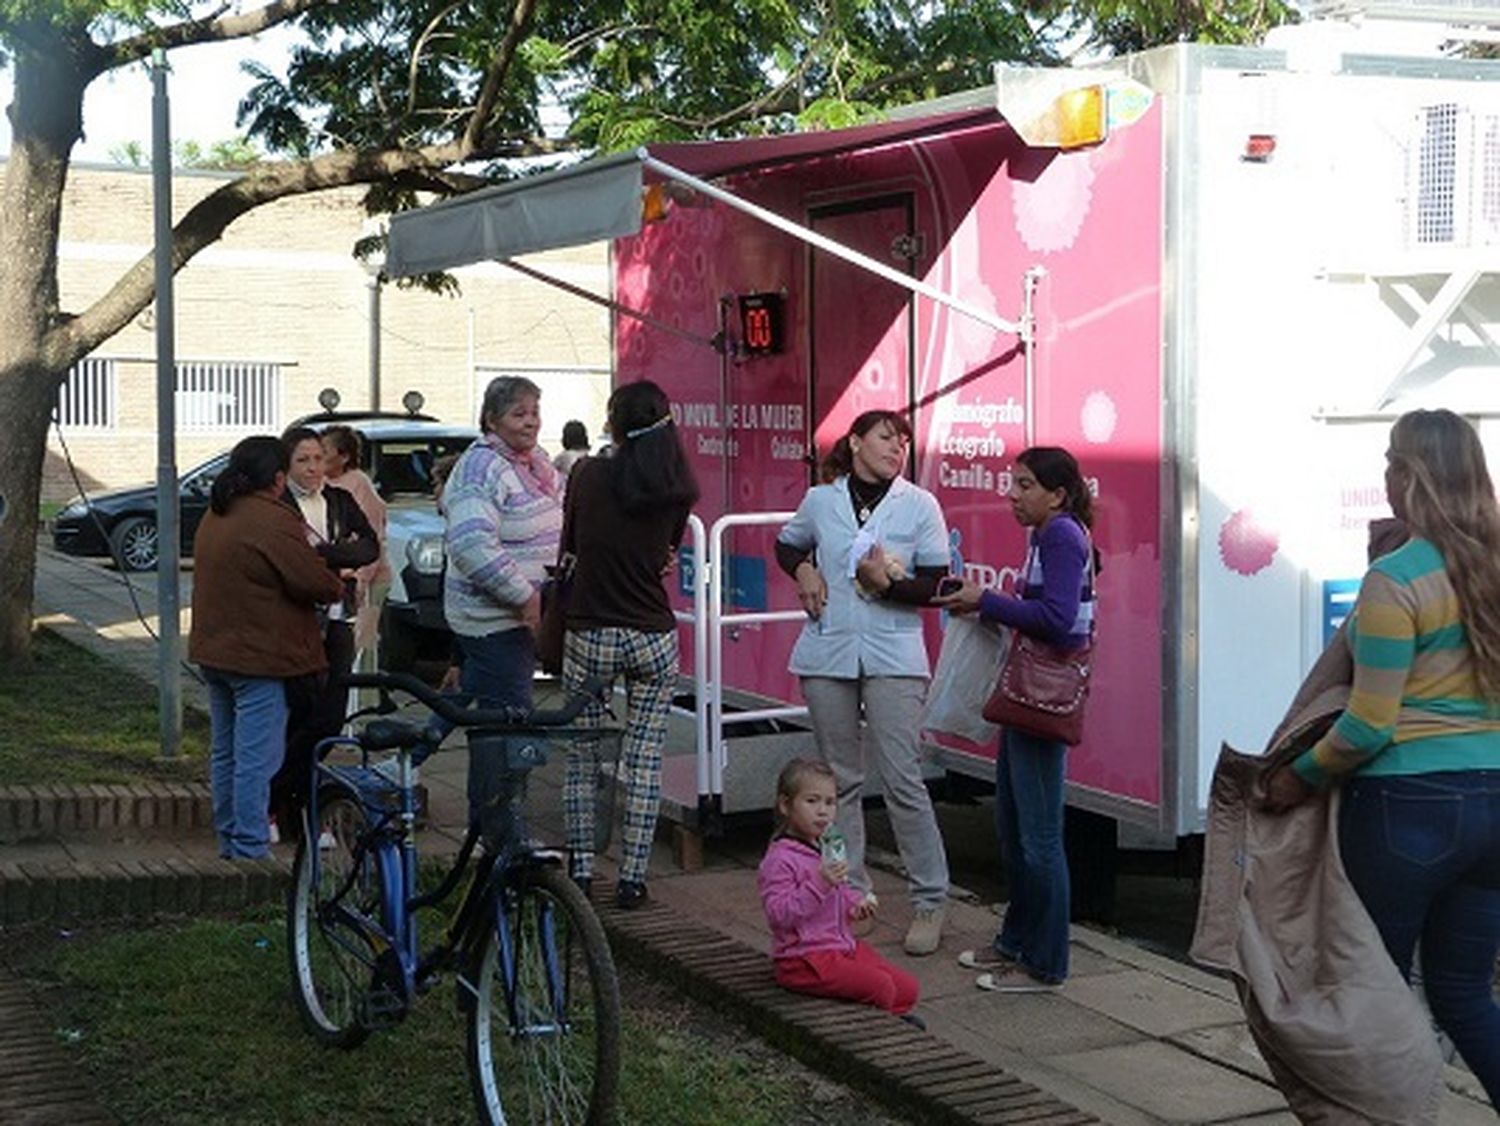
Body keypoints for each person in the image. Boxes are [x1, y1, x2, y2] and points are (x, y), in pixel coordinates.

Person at [1262, 408, 1500, 1108]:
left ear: (1410, 475)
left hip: (1408, 811)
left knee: (1373, 994)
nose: (1385, 478)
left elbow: (1368, 725)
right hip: (1496, 810)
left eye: (1390, 464)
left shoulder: (1396, 580)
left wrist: (1293, 780)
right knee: (1464, 994)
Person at [775, 409, 952, 956]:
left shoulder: (919, 504)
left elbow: (938, 583)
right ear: (854, 442)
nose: (896, 447)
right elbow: (788, 544)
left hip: (894, 653)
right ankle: (849, 893)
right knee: (839, 782)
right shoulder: (821, 500)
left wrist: (888, 585)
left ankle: (930, 899)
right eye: (884, 437)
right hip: (828, 649)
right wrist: (803, 569)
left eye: (903, 441)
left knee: (903, 779)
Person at [937, 446, 1096, 992]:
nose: (1012, 494)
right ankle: (1015, 941)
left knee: (1039, 838)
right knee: (1011, 824)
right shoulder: (1047, 534)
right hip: (1027, 699)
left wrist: (988, 601)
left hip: (1040, 701)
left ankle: (1045, 963)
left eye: (1025, 485)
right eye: (1013, 482)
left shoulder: (1060, 535)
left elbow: (1056, 619)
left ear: (1056, 494)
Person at [560, 380, 698, 910]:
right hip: (652, 634)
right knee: (644, 759)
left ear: (613, 422)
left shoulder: (587, 475)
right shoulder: (676, 488)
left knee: (583, 754)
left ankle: (580, 868)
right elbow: (665, 555)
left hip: (592, 629)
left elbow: (570, 545)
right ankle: (633, 879)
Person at [188, 436, 345, 859]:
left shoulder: (217, 513)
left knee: (226, 753)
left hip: (216, 651)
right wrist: (337, 583)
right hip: (258, 656)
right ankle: (250, 849)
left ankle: (230, 840)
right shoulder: (270, 520)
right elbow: (312, 581)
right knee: (258, 759)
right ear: (278, 478)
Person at [444, 376, 563, 828]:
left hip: (515, 620)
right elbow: (472, 545)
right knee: (508, 728)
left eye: (534, 412)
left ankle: (408, 758)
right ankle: (498, 832)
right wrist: (525, 596)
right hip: (494, 619)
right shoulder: (482, 469)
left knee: (477, 697)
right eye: (519, 413)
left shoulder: (535, 464)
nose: (530, 421)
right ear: (492, 420)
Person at [272, 426, 380, 836]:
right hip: (297, 621)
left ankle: (287, 794)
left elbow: (368, 546)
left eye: (318, 458)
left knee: (331, 716)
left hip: (338, 617)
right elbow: (291, 558)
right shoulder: (280, 506)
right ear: (286, 465)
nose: (314, 467)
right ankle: (287, 807)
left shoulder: (339, 499)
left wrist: (324, 555)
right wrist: (336, 558)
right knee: (300, 712)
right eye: (303, 460)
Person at [758, 758, 922, 1021]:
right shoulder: (779, 860)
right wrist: (820, 883)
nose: (823, 811)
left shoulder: (826, 846)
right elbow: (779, 915)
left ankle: (884, 1019)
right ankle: (876, 1026)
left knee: (907, 989)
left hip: (841, 946)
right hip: (803, 960)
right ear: (785, 805)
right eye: (812, 801)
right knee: (881, 987)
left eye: (830, 802)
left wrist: (855, 905)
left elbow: (840, 892)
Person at [321, 424, 390, 665]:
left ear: (344, 456)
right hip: (338, 578)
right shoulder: (323, 484)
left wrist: (361, 579)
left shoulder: (358, 484)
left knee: (363, 639)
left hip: (367, 578)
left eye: (325, 450)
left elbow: (373, 536)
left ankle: (364, 697)